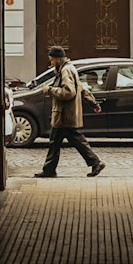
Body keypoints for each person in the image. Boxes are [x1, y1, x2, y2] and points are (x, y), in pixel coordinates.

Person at [34, 45, 106, 178]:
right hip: (66, 114)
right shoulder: (70, 68)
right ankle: (50, 170)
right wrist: (93, 102)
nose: (51, 62)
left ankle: (95, 162)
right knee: (61, 142)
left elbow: (69, 92)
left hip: (64, 115)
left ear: (57, 59)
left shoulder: (65, 71)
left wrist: (50, 89)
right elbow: (81, 89)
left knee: (61, 142)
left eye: (52, 60)